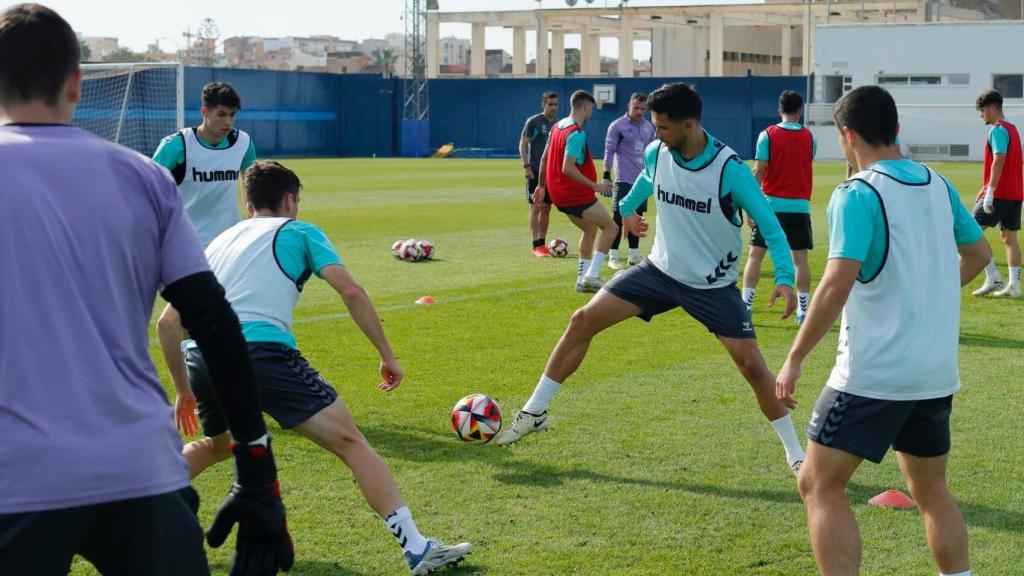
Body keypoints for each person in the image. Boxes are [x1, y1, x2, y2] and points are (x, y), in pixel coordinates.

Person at [0, 5, 292, 575]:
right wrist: (257, 469)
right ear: (77, 82)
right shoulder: (144, 177)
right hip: (140, 470)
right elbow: (215, 324)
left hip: (17, 476)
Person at [159, 161, 472, 576]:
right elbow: (351, 291)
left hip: (202, 358)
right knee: (352, 443)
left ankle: (135, 507)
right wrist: (387, 354)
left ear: (248, 205)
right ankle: (417, 548)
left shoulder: (218, 242)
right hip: (260, 354)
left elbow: (167, 323)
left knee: (217, 446)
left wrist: (183, 390)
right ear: (290, 200)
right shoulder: (301, 231)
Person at [499, 83, 806, 477]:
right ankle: (534, 412)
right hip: (659, 272)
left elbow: (770, 225)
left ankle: (796, 455)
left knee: (752, 368)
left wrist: (784, 277)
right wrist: (628, 210)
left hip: (711, 286)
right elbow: (643, 182)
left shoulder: (729, 168)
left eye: (662, 127)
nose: (654, 133)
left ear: (689, 125)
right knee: (582, 320)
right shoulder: (658, 152)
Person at [776, 85, 991, 576]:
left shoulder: (857, 192)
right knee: (931, 490)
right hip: (934, 373)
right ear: (896, 129)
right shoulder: (937, 183)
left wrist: (795, 358)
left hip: (874, 374)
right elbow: (979, 255)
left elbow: (835, 284)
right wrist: (929, 292)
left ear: (847, 134)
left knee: (818, 483)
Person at [742, 90, 818, 325]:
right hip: (799, 207)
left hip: (770, 206)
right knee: (800, 259)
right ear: (800, 110)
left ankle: (745, 308)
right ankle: (803, 311)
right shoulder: (810, 137)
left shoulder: (767, 135)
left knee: (755, 256)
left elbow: (759, 171)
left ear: (779, 110)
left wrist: (750, 207)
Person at [153, 81, 257, 248]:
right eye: (222, 114)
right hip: (186, 243)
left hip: (229, 242)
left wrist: (254, 221)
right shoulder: (176, 145)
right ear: (204, 112)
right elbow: (147, 186)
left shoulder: (243, 143)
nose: (228, 121)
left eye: (232, 115)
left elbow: (252, 187)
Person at [535, 90, 616, 292]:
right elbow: (567, 167)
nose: (591, 114)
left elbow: (544, 159)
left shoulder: (556, 127)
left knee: (590, 230)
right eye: (591, 109)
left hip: (558, 195)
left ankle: (581, 281)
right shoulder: (576, 133)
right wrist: (596, 186)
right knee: (612, 228)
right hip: (574, 194)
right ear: (586, 107)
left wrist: (541, 186)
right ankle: (593, 275)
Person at [970, 89, 1022, 298]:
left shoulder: (998, 130)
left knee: (969, 230)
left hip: (999, 194)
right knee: (1009, 238)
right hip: (1015, 193)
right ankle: (1014, 286)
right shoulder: (1013, 129)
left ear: (991, 108)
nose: (981, 115)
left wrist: (990, 192)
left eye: (982, 110)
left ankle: (992, 276)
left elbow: (999, 160)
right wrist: (986, 188)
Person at [602, 92, 656, 269]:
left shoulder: (648, 127)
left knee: (638, 217)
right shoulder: (617, 126)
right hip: (623, 179)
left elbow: (651, 152)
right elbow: (609, 150)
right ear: (628, 106)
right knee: (618, 217)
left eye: (642, 109)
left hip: (642, 180)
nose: (639, 111)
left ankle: (633, 255)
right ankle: (613, 256)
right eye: (636, 108)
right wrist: (606, 175)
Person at [520, 91, 559, 256]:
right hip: (535, 170)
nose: (553, 107)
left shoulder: (558, 124)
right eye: (550, 104)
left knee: (547, 207)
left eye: (556, 104)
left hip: (550, 173)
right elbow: (523, 143)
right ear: (543, 104)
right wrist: (526, 166)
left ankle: (542, 241)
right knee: (536, 206)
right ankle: (536, 244)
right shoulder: (534, 122)